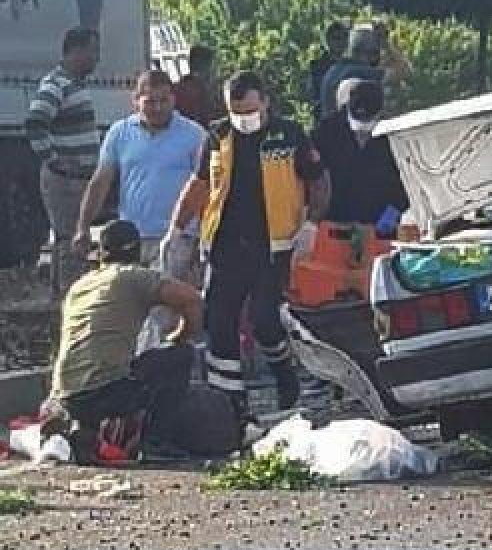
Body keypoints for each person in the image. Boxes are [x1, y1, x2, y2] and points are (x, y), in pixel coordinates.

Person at [166, 70, 329, 418]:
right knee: (218, 321)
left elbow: (319, 180)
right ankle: (230, 402)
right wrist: (177, 229)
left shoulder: (289, 135)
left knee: (265, 319)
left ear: (266, 103)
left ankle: (286, 380)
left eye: (250, 112)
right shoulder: (218, 135)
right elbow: (198, 186)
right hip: (225, 247)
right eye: (236, 112)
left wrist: (312, 223)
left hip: (274, 247)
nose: (244, 120)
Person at [46, 220, 202, 461]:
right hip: (106, 392)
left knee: (107, 361)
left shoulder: (80, 286)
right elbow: (191, 300)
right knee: (181, 356)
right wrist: (180, 336)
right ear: (136, 251)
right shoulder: (132, 276)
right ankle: (155, 443)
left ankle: (85, 432)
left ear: (100, 254)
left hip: (66, 394)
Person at [72, 70, 207, 345]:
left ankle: (156, 367)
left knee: (163, 311)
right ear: (136, 101)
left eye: (163, 100)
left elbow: (205, 189)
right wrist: (83, 227)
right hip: (131, 240)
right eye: (150, 101)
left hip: (175, 239)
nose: (157, 108)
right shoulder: (120, 133)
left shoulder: (194, 136)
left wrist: (201, 239)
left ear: (173, 99)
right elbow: (101, 181)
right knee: (129, 306)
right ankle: (135, 365)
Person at [26, 27, 102, 294]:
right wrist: (55, 160)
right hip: (65, 180)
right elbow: (35, 123)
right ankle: (70, 294)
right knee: (70, 238)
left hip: (78, 179)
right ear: (76, 51)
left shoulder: (74, 85)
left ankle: (67, 293)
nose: (96, 58)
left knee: (72, 236)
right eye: (93, 51)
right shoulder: (56, 84)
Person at [313, 80, 408, 226]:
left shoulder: (394, 134)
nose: (362, 132)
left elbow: (405, 180)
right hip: (334, 222)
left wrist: (392, 214)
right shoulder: (325, 132)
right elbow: (315, 178)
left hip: (379, 223)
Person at [318, 25, 384, 119]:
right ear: (360, 51)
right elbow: (402, 73)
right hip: (346, 129)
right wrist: (385, 44)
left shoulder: (335, 69)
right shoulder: (356, 71)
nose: (375, 58)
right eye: (373, 52)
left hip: (331, 128)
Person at [173, 44, 220, 127]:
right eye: (215, 66)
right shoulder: (205, 93)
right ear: (209, 68)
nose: (217, 72)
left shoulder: (173, 90)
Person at [309, 21, 349, 111]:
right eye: (336, 38)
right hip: (325, 115)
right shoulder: (316, 66)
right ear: (328, 40)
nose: (340, 42)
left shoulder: (351, 65)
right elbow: (313, 95)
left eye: (344, 38)